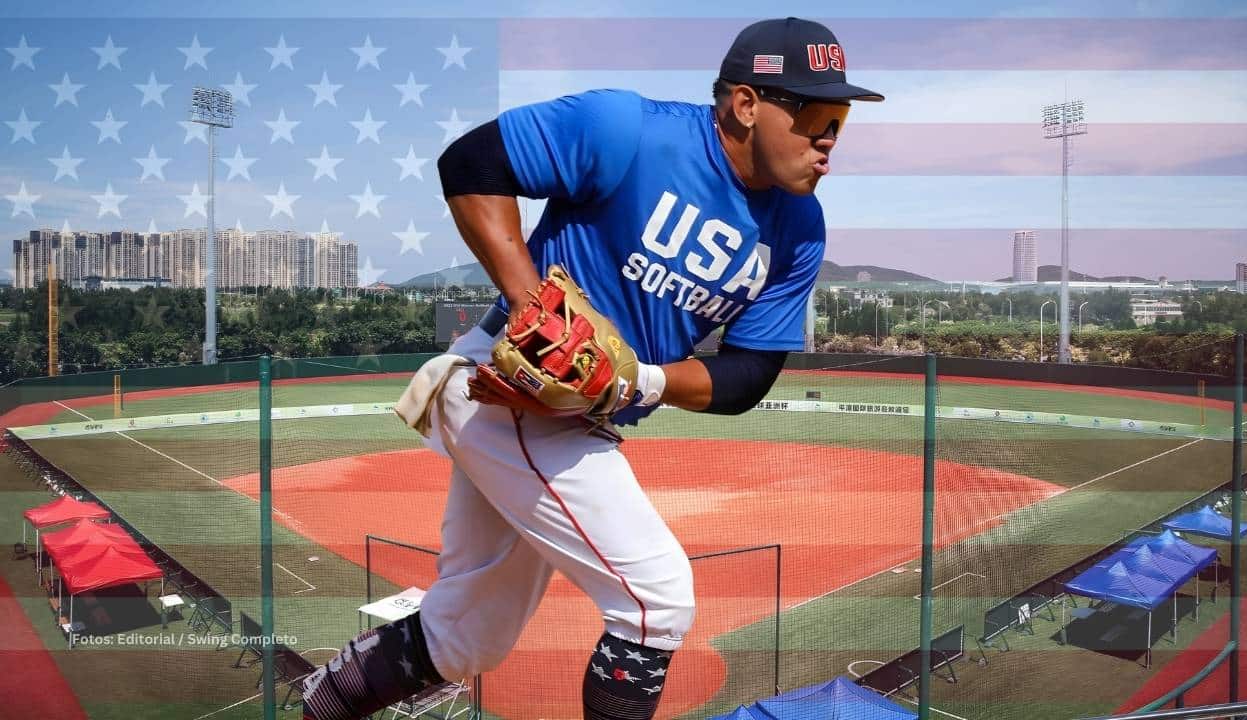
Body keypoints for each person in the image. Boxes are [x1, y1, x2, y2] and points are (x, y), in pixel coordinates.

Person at [303, 16, 881, 720]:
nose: (828, 137)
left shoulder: (798, 230)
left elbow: (749, 374)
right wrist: (530, 308)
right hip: (507, 393)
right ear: (745, 103)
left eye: (839, 120)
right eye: (815, 113)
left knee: (465, 642)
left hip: (575, 415)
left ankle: (317, 708)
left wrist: (637, 380)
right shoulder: (628, 130)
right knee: (657, 599)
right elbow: (472, 162)